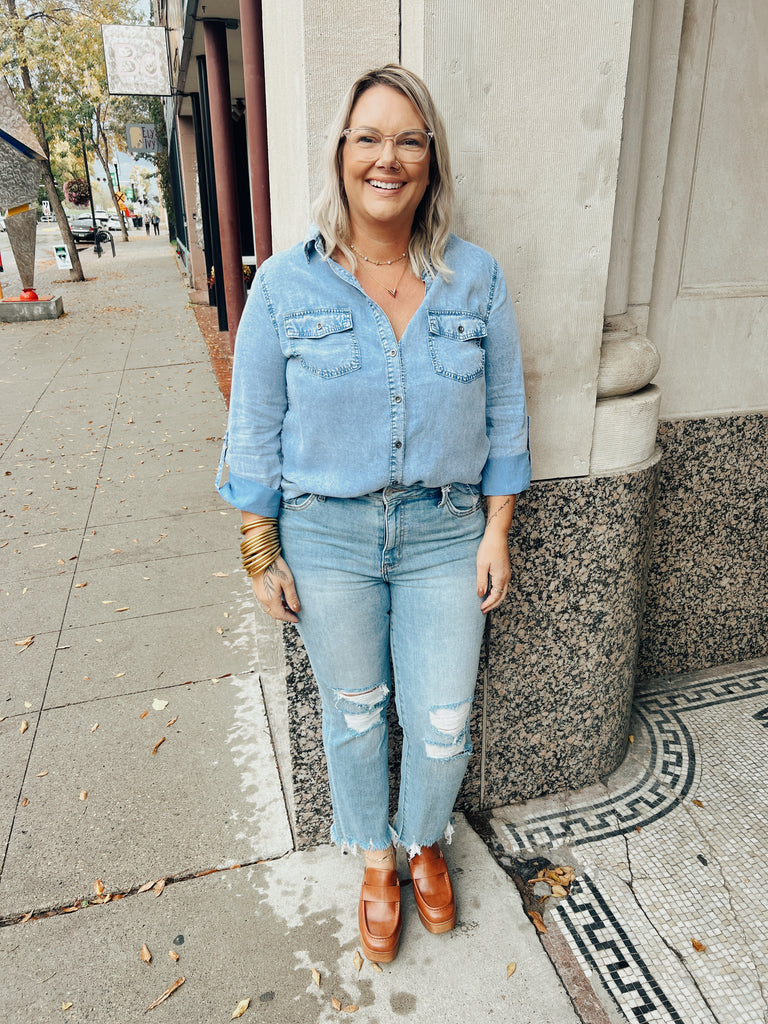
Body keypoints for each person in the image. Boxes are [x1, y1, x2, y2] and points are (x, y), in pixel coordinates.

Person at [216, 65, 530, 963]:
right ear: (342, 154)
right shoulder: (285, 284)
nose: (385, 158)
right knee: (353, 714)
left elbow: (507, 411)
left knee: (442, 719)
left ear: (430, 161)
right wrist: (258, 546)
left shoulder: (477, 279)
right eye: (368, 138)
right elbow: (255, 427)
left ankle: (424, 837)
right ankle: (378, 860)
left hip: (444, 531)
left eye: (407, 140)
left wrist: (498, 528)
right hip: (327, 536)